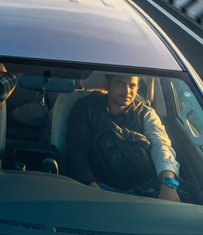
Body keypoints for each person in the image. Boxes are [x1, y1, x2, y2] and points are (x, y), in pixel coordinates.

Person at [66, 74, 181, 202]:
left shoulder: (146, 113)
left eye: (132, 85)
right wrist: (90, 186)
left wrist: (167, 184)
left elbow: (161, 145)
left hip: (142, 189)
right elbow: (76, 150)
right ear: (107, 86)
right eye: (120, 84)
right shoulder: (85, 108)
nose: (127, 91)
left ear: (137, 87)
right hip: (99, 187)